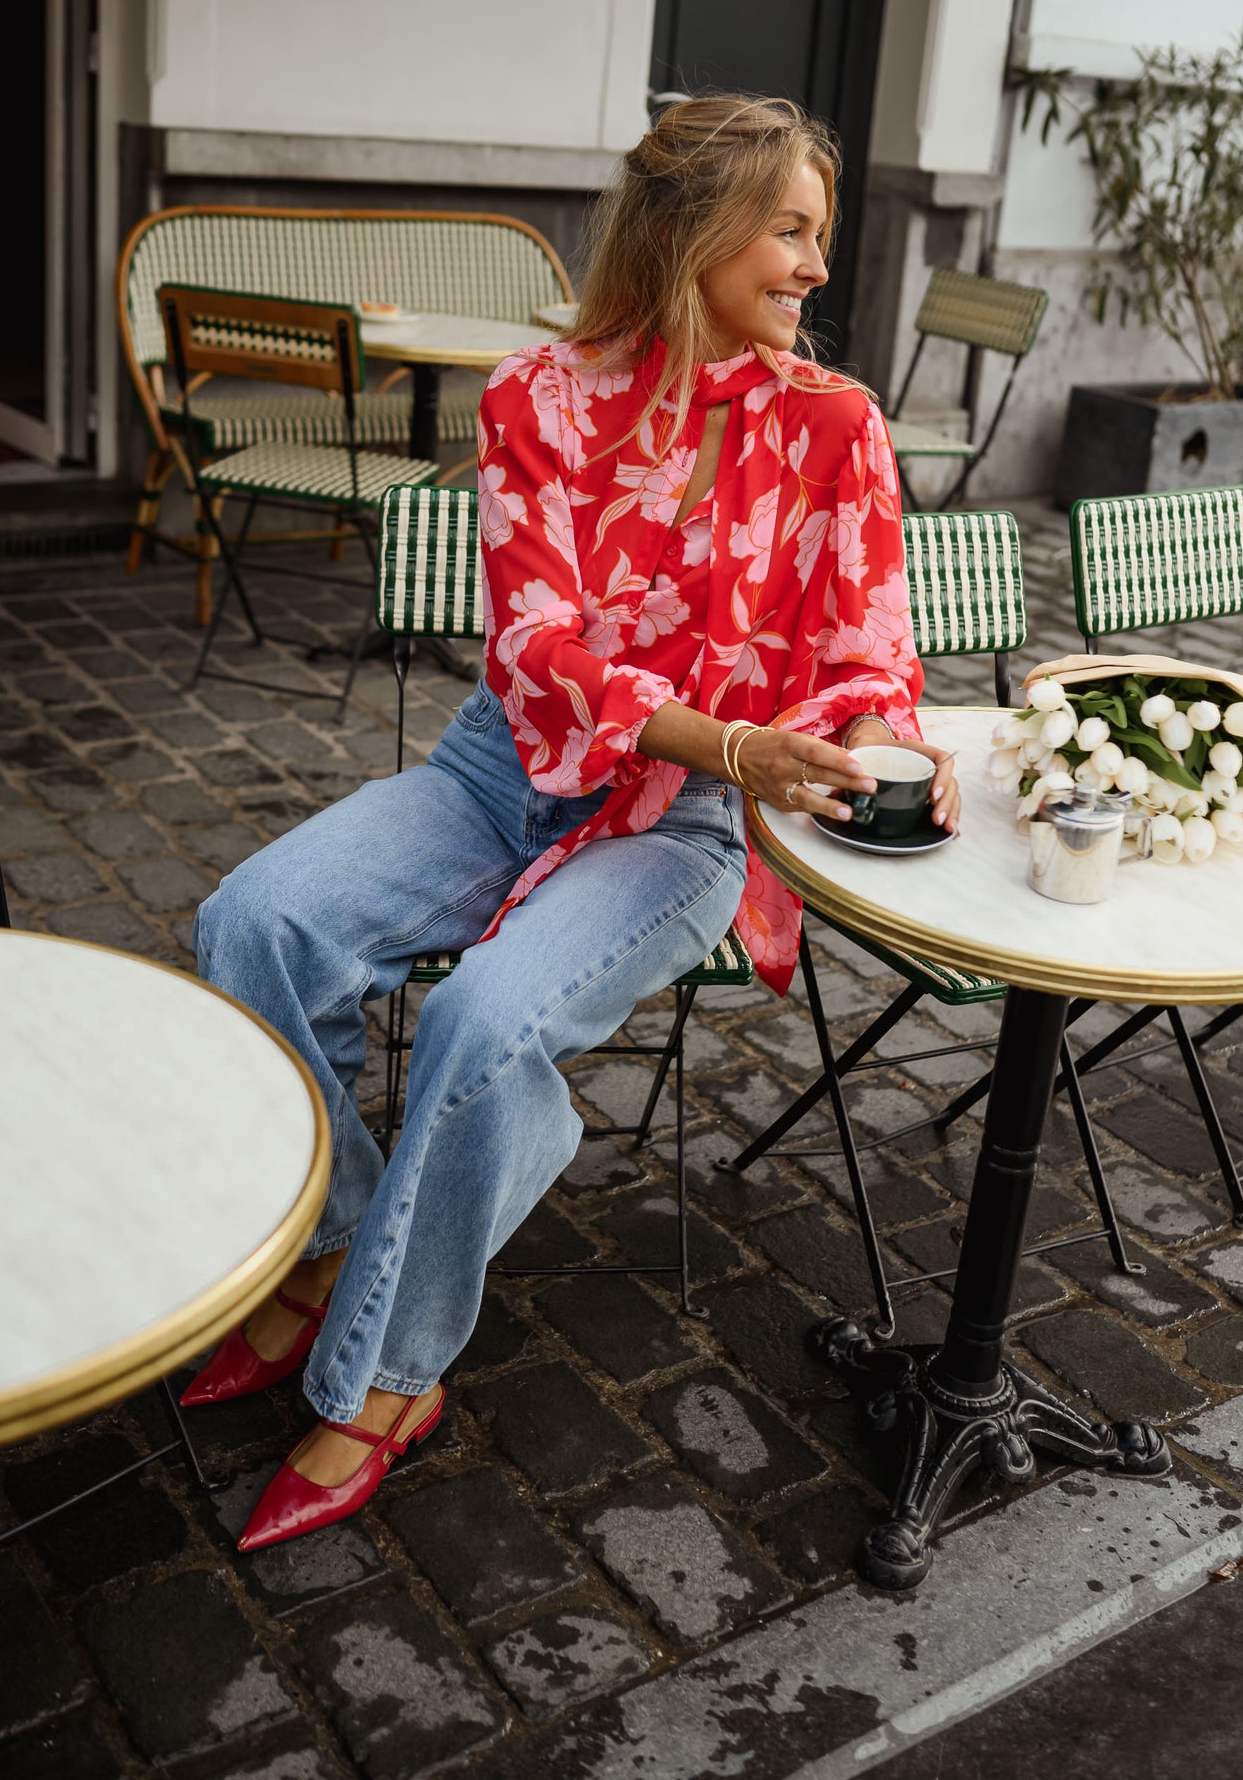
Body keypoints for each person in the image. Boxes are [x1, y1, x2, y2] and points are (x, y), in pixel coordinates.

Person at [189, 94, 960, 1551]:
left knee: (485, 1019)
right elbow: (537, 648)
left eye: (818, 238)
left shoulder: (834, 428)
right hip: (507, 769)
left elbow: (868, 652)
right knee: (253, 921)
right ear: (696, 233)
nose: (812, 266)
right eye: (789, 232)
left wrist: (880, 748)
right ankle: (340, 1231)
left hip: (682, 828)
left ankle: (383, 1372)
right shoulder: (534, 397)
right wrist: (731, 723)